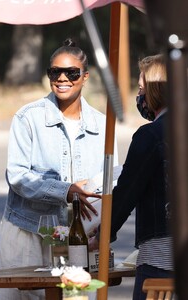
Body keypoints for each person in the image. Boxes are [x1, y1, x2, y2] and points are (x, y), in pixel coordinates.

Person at [0, 38, 118, 300]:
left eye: (71, 73)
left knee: (74, 296)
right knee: (24, 297)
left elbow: (110, 183)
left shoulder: (102, 125)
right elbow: (17, 176)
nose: (62, 78)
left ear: (85, 76)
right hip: (27, 230)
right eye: (55, 72)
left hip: (75, 237)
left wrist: (101, 231)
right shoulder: (28, 117)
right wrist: (65, 191)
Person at [89, 54, 173, 300]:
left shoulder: (151, 135)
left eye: (141, 89)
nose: (140, 97)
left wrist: (103, 233)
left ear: (155, 91)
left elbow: (127, 191)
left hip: (162, 258)